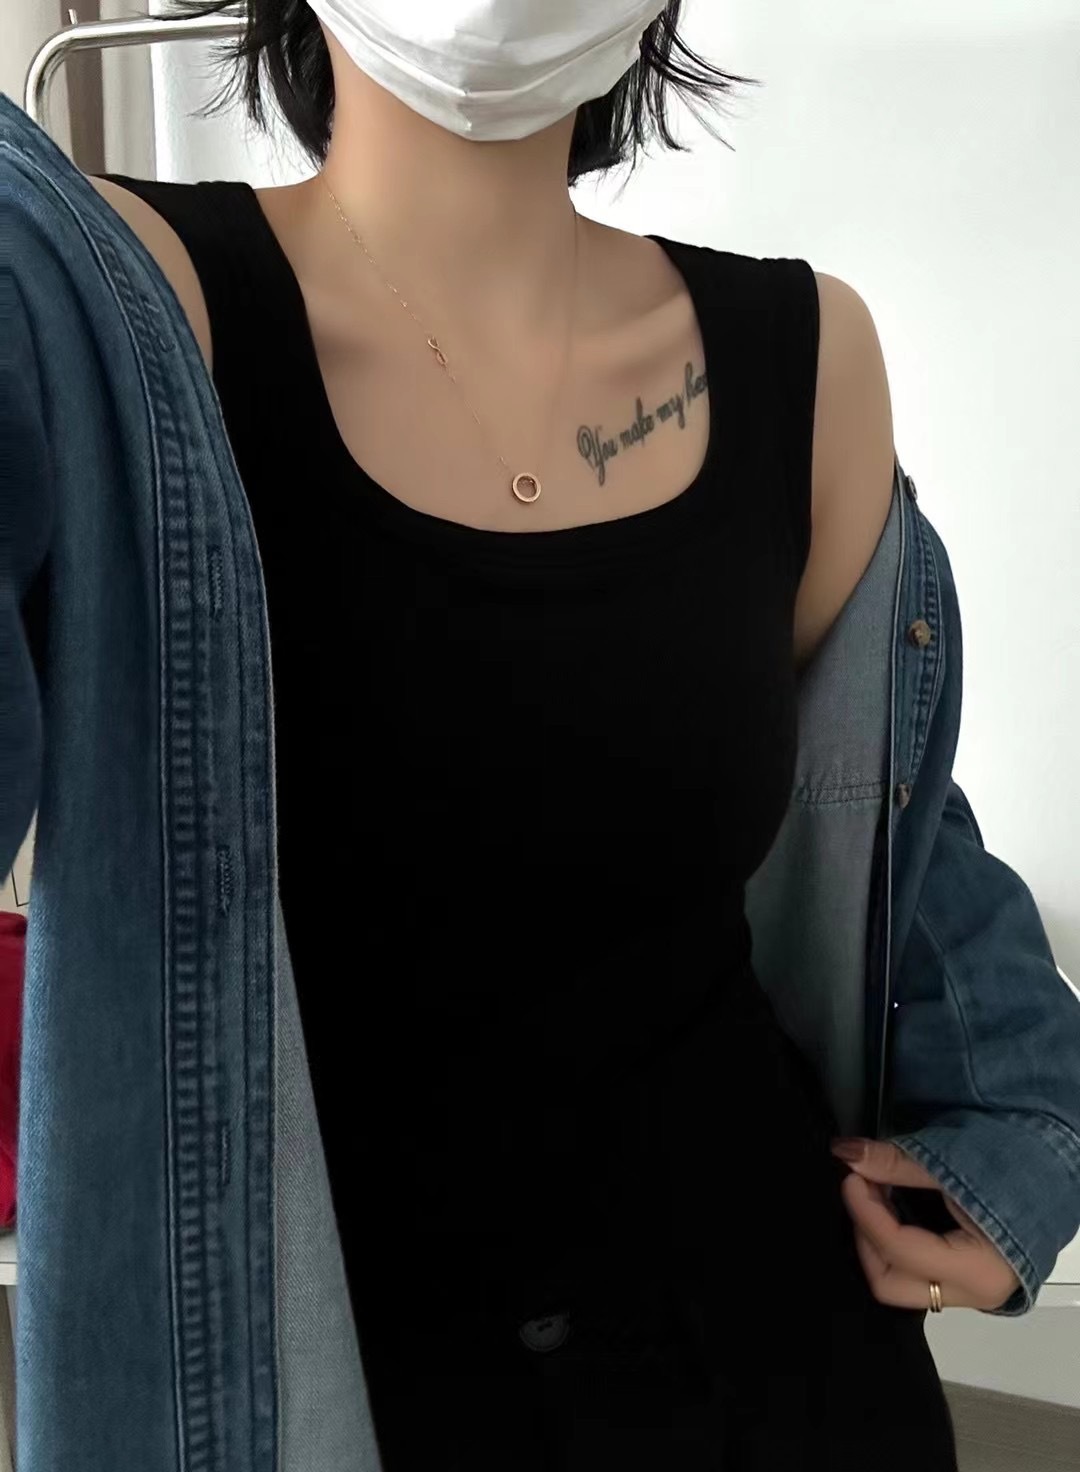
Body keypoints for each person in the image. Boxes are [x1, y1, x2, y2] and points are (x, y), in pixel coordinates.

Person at [84, 1, 959, 1466]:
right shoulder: (130, 289)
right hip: (334, 1387)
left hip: (778, 1364)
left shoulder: (809, 352)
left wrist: (1023, 1131)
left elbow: (891, 817)